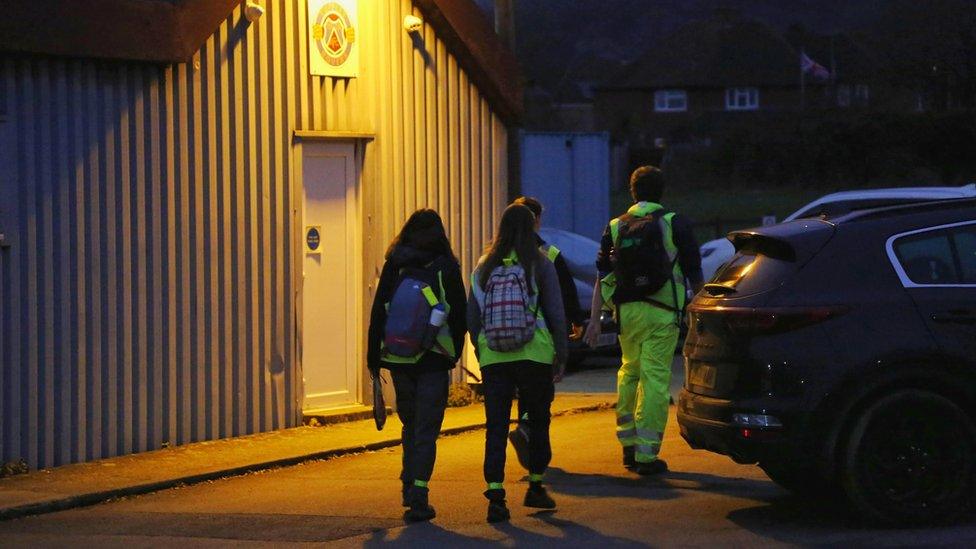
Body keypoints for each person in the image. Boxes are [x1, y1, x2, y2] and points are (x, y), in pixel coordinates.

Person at [583, 166, 703, 475]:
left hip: (627, 314)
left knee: (629, 374)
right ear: (661, 192)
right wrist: (700, 317)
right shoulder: (674, 223)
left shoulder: (614, 226)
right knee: (655, 381)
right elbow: (693, 273)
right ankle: (646, 455)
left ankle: (627, 447)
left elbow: (602, 275)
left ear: (632, 192)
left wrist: (595, 319)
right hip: (662, 313)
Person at [467, 204, 568, 523]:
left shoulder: (484, 267)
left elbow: (472, 318)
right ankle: (535, 486)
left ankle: (496, 497)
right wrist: (561, 353)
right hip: (534, 355)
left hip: (494, 356)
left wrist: (483, 351)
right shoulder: (539, 263)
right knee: (538, 420)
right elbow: (555, 312)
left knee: (495, 426)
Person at [367, 209, 467, 523]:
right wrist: (454, 354)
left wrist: (373, 358)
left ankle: (409, 481)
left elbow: (378, 312)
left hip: (398, 358)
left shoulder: (395, 264)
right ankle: (419, 495)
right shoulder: (446, 266)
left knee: (410, 425)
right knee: (427, 430)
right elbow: (460, 315)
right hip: (434, 359)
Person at [507, 196, 584, 470]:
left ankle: (524, 427)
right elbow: (564, 292)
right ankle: (536, 449)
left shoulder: (496, 254)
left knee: (521, 392)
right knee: (540, 394)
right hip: (540, 338)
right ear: (537, 220)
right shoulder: (548, 254)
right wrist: (575, 321)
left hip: (504, 338)